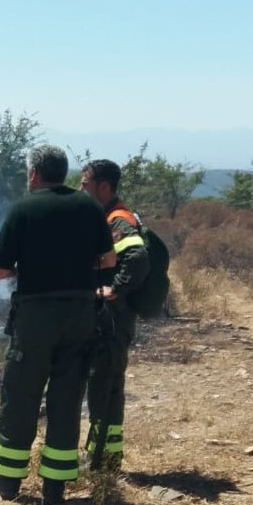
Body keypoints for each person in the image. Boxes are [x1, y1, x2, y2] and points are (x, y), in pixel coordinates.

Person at [0, 146, 116, 505]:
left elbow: (1, 271)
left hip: (35, 316)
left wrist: (29, 267)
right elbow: (108, 258)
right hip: (79, 314)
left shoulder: (22, 208)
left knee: (21, 394)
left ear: (34, 174)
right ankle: (55, 488)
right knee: (68, 396)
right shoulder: (89, 206)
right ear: (63, 173)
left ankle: (9, 483)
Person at [79, 159, 151, 473]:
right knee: (107, 384)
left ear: (103, 186)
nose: (81, 189)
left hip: (112, 320)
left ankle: (99, 461)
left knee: (103, 384)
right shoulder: (105, 217)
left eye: (85, 184)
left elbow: (137, 257)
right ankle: (106, 458)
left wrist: (114, 290)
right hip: (108, 319)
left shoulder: (117, 219)